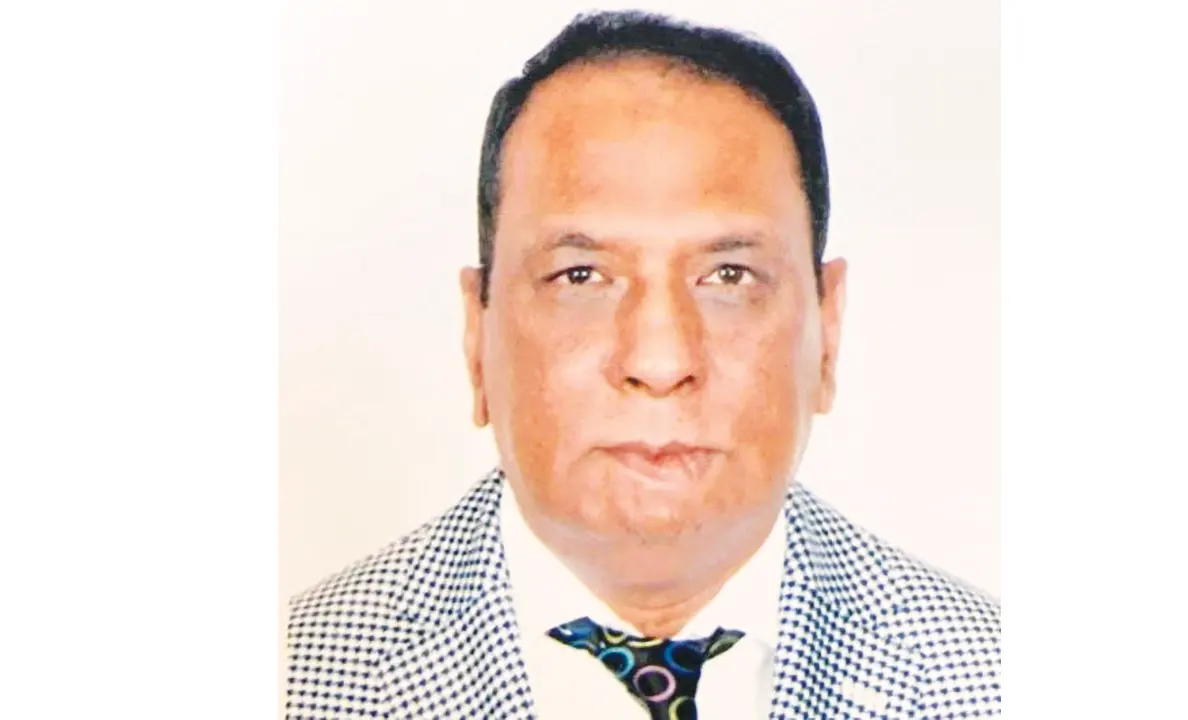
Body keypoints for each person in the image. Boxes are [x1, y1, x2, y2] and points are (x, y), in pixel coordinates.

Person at [285, 10, 1000, 720]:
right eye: (581, 276)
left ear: (827, 329)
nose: (660, 362)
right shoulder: (293, 677)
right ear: (478, 333)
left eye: (729, 276)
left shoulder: (997, 679)